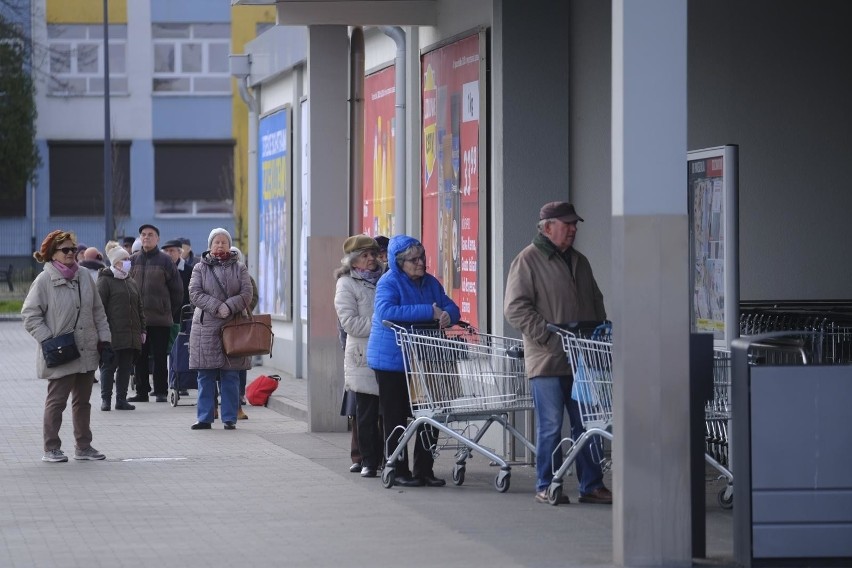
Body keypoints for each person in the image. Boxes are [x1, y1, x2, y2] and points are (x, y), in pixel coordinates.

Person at [503, 201, 613, 505]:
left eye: (575, 224)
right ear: (547, 227)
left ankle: (591, 485)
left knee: (587, 424)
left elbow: (596, 300)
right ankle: (547, 483)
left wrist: (599, 336)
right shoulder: (527, 260)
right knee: (551, 424)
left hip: (584, 359)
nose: (574, 229)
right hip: (548, 357)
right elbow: (514, 308)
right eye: (567, 224)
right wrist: (546, 335)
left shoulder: (580, 261)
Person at [366, 235, 460, 487]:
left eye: (423, 257)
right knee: (395, 415)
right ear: (399, 263)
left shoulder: (430, 282)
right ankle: (397, 468)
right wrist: (428, 311)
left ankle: (424, 469)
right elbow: (386, 312)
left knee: (431, 413)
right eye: (414, 259)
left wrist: (447, 317)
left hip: (425, 356)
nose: (421, 263)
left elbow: (451, 307)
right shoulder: (389, 282)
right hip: (392, 359)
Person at [21, 230, 111, 462]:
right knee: (57, 401)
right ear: (53, 254)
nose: (72, 253)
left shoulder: (84, 276)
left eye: (73, 249)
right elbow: (30, 315)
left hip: (87, 350)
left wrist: (105, 340)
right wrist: (49, 339)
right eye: (66, 250)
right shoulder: (44, 280)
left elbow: (98, 311)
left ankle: (84, 447)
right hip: (61, 352)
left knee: (83, 402)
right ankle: (51, 448)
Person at [188, 228, 253, 430]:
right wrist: (217, 306)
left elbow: (247, 293)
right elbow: (194, 293)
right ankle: (205, 417)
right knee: (205, 375)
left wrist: (230, 306)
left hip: (233, 327)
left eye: (224, 242)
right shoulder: (200, 267)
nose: (220, 245)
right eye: (216, 242)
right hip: (206, 328)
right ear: (209, 246)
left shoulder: (240, 268)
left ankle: (229, 418)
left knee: (231, 376)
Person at [335, 235, 385, 477]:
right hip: (362, 355)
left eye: (373, 254)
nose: (371, 259)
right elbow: (350, 323)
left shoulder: (386, 278)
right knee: (365, 411)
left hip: (388, 353)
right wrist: (384, 323)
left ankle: (387, 457)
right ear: (354, 261)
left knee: (388, 410)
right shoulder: (346, 284)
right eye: (365, 255)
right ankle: (368, 460)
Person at [127, 224, 183, 403]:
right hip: (138, 321)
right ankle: (142, 392)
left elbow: (177, 290)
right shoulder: (133, 260)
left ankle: (161, 391)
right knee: (140, 357)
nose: (146, 238)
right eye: (143, 235)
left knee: (159, 357)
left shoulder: (165, 261)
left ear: (157, 239)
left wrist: (167, 310)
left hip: (160, 319)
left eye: (150, 235)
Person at [97, 242, 146, 411]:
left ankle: (121, 399)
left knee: (125, 368)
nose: (128, 262)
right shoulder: (105, 280)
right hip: (112, 333)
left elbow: (139, 307)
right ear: (116, 262)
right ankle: (106, 400)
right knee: (108, 367)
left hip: (131, 334)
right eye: (124, 259)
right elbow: (99, 308)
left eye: (128, 259)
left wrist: (143, 329)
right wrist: (101, 332)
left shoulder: (130, 281)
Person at [230, 245, 257, 420]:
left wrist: (243, 309)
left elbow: (253, 296)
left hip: (242, 323)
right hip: (222, 323)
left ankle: (240, 395)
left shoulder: (245, 275)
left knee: (242, 362)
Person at [162, 238, 191, 309]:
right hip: (163, 310)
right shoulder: (159, 268)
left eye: (171, 250)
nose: (168, 253)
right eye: (166, 251)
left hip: (182, 311)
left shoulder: (189, 270)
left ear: (180, 253)